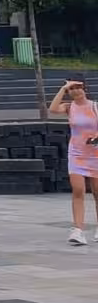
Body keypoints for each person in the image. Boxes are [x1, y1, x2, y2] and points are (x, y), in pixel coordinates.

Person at [47, 78, 96, 245]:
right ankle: (78, 230)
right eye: (72, 88)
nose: (75, 91)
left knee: (97, 193)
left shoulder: (95, 107)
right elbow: (52, 109)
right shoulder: (69, 107)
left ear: (85, 88)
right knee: (78, 190)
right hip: (76, 154)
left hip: (95, 154)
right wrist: (63, 88)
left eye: (78, 87)